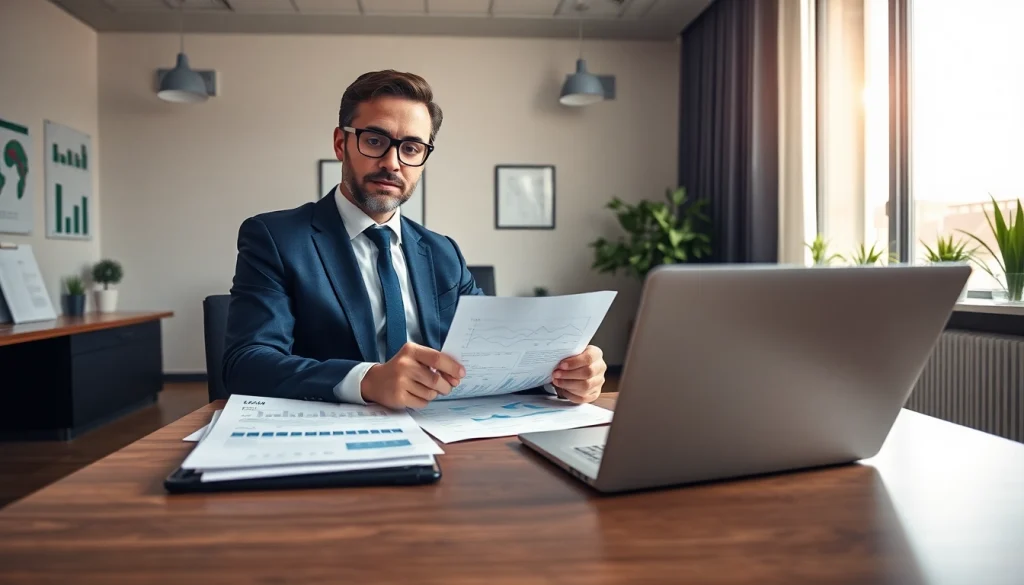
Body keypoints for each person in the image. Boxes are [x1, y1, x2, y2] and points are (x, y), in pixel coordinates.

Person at [222, 70, 607, 410]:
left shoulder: (443, 253)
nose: (392, 162)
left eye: (411, 148)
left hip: (443, 434)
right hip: (332, 437)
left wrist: (561, 375)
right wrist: (368, 381)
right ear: (341, 144)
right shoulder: (275, 237)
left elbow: (492, 356)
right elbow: (247, 362)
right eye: (375, 140)